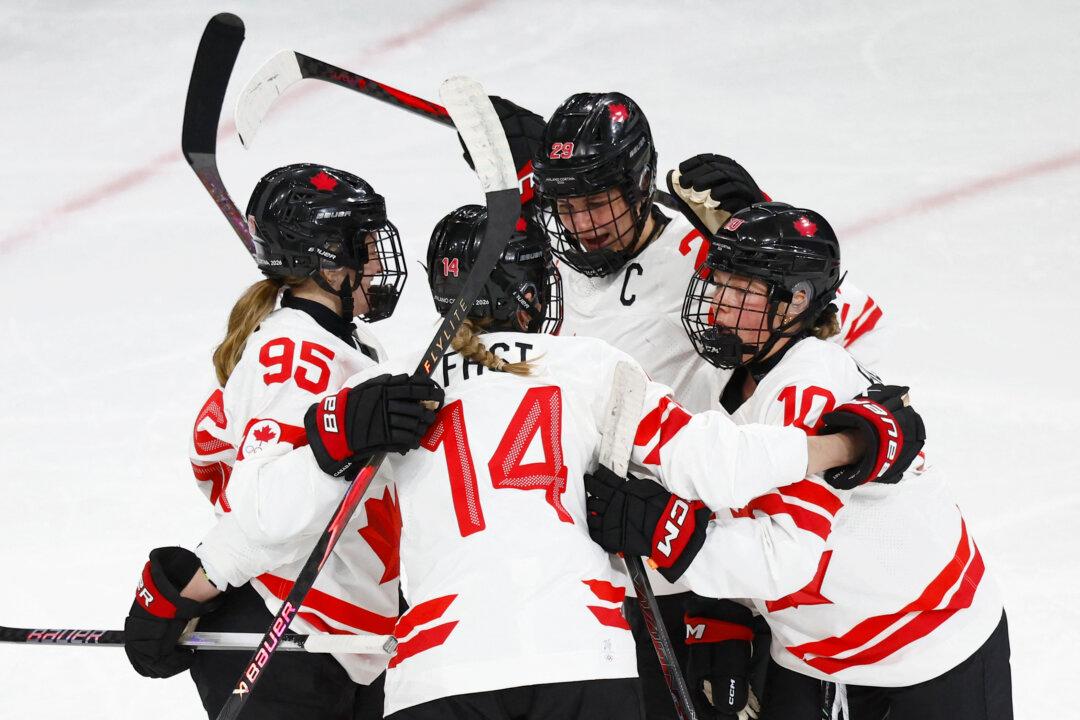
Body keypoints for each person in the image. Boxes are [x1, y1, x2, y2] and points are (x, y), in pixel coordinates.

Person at [584, 201, 1011, 720]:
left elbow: (783, 559)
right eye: (718, 284)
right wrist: (721, 611)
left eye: (741, 292)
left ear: (796, 302)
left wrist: (667, 534)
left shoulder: (809, 384)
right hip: (813, 656)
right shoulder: (727, 372)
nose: (718, 306)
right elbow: (733, 501)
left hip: (929, 647)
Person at [122, 163, 440, 720]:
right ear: (327, 262)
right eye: (364, 246)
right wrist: (340, 443)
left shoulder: (348, 347)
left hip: (341, 635)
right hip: (282, 634)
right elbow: (264, 507)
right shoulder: (293, 353)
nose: (376, 262)